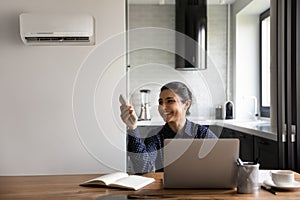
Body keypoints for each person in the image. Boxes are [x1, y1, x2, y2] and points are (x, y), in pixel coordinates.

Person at [120, 81, 217, 174]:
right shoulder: (156, 136)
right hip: (165, 189)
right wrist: (133, 128)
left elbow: (221, 162)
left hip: (199, 189)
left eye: (170, 101)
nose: (163, 107)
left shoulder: (202, 133)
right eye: (160, 102)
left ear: (186, 104)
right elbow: (143, 168)